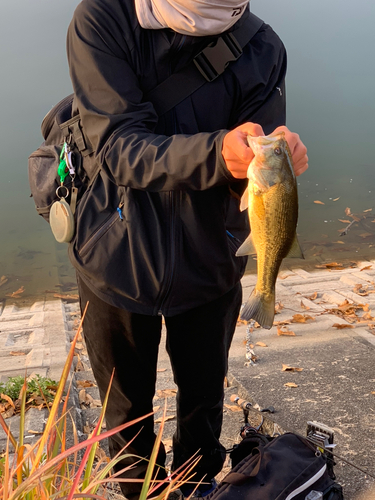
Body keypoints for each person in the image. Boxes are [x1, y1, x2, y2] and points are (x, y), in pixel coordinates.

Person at [66, 0, 308, 498]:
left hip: (210, 261)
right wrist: (219, 152)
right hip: (115, 255)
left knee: (203, 402)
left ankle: (196, 487)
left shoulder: (262, 47)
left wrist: (274, 151)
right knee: (125, 411)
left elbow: (254, 159)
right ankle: (144, 492)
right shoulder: (104, 18)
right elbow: (117, 146)